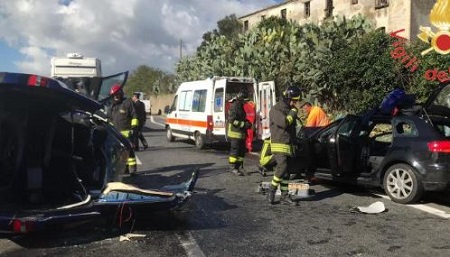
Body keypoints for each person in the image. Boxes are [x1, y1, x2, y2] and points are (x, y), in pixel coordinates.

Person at [267, 85, 302, 205]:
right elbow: (284, 123)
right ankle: (271, 189)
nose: (295, 103)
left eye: (296, 101)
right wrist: (294, 111)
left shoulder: (289, 109)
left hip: (289, 144)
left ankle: (284, 196)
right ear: (287, 98)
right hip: (279, 143)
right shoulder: (276, 110)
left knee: (286, 171)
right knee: (282, 166)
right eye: (294, 100)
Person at [108, 84, 139, 174]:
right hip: (115, 134)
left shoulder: (127, 103)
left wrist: (134, 128)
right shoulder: (111, 106)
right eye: (114, 95)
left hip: (127, 133)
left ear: (121, 94)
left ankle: (133, 170)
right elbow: (109, 118)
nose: (116, 96)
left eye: (117, 94)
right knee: (118, 153)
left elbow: (134, 115)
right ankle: (124, 169)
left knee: (130, 153)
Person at [301, 101, 329, 183]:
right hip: (324, 132)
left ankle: (311, 174)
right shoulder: (317, 109)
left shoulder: (313, 112)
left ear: (308, 106)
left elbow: (308, 128)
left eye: (305, 108)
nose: (304, 110)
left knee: (311, 154)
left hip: (321, 135)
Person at [227, 88, 252, 176]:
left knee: (241, 151)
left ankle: (240, 167)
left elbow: (240, 117)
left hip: (241, 133)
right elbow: (232, 120)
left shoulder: (240, 105)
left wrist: (246, 122)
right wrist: (244, 124)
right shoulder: (235, 106)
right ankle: (233, 168)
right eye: (245, 101)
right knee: (235, 151)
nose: (246, 103)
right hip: (235, 133)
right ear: (241, 98)